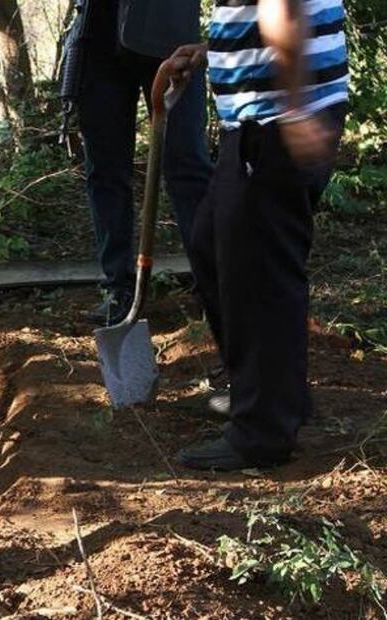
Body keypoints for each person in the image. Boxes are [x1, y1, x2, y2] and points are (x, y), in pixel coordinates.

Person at [172, 0, 349, 470]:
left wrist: (292, 106)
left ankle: (262, 432)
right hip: (269, 117)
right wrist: (216, 50)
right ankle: (272, 394)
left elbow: (282, 8)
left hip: (274, 120)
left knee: (259, 275)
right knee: (213, 244)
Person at [76, 0, 214, 325]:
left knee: (187, 165)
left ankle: (215, 287)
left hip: (171, 39)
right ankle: (118, 289)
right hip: (96, 38)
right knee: (105, 170)